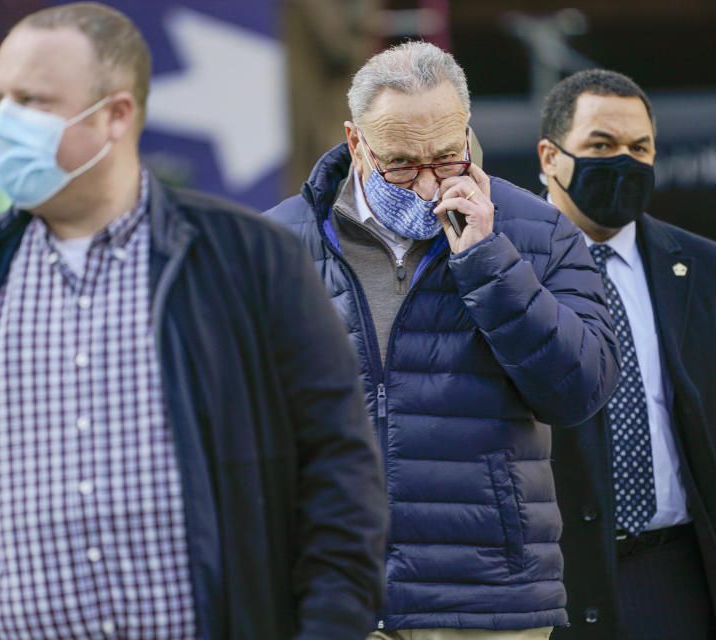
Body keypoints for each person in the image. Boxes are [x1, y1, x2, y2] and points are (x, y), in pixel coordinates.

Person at [0, 4, 387, 639]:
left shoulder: (250, 263)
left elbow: (340, 476)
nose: (3, 124)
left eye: (32, 101)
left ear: (116, 115)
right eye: (0, 97)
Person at [265, 41, 620, 639]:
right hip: (324, 599)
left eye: (448, 158)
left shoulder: (538, 231)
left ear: (466, 132)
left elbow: (579, 390)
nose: (428, 185)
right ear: (356, 143)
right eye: (401, 164)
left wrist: (489, 263)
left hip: (486, 601)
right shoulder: (277, 243)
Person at [537, 69, 716, 640]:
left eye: (639, 148)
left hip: (679, 578)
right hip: (548, 583)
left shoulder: (715, 274)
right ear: (550, 157)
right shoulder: (499, 271)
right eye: (601, 145)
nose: (623, 162)